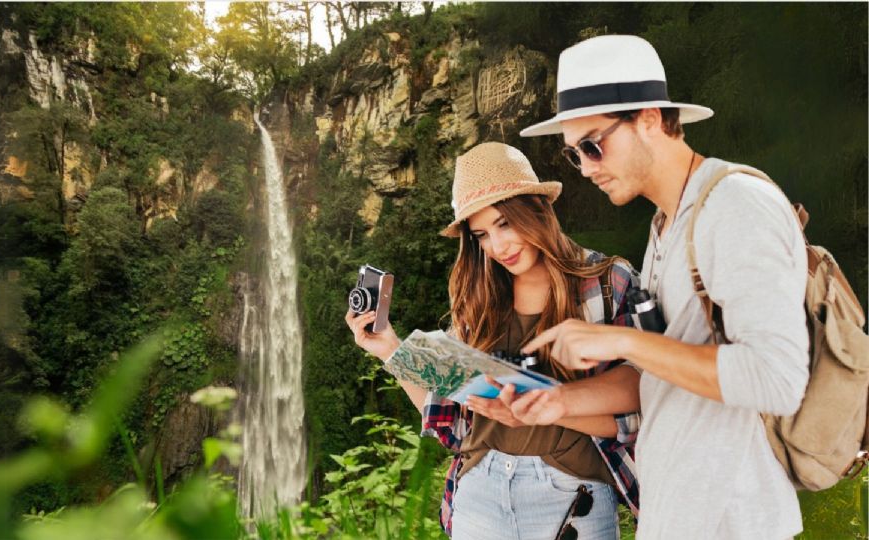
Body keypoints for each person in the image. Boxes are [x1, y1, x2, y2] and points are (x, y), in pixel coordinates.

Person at [507, 35, 809, 539]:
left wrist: (622, 340)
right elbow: (663, 379)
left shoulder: (735, 205)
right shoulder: (667, 224)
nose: (585, 169)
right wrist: (557, 402)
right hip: (678, 515)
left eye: (592, 145)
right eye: (572, 154)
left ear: (649, 119)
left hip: (733, 519)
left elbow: (777, 380)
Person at [345, 141, 642, 540]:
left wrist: (542, 410)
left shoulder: (608, 282)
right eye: (482, 234)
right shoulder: (479, 301)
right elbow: (449, 416)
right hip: (478, 493)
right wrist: (388, 348)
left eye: (505, 223)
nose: (497, 247)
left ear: (537, 210)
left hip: (572, 495)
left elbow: (642, 402)